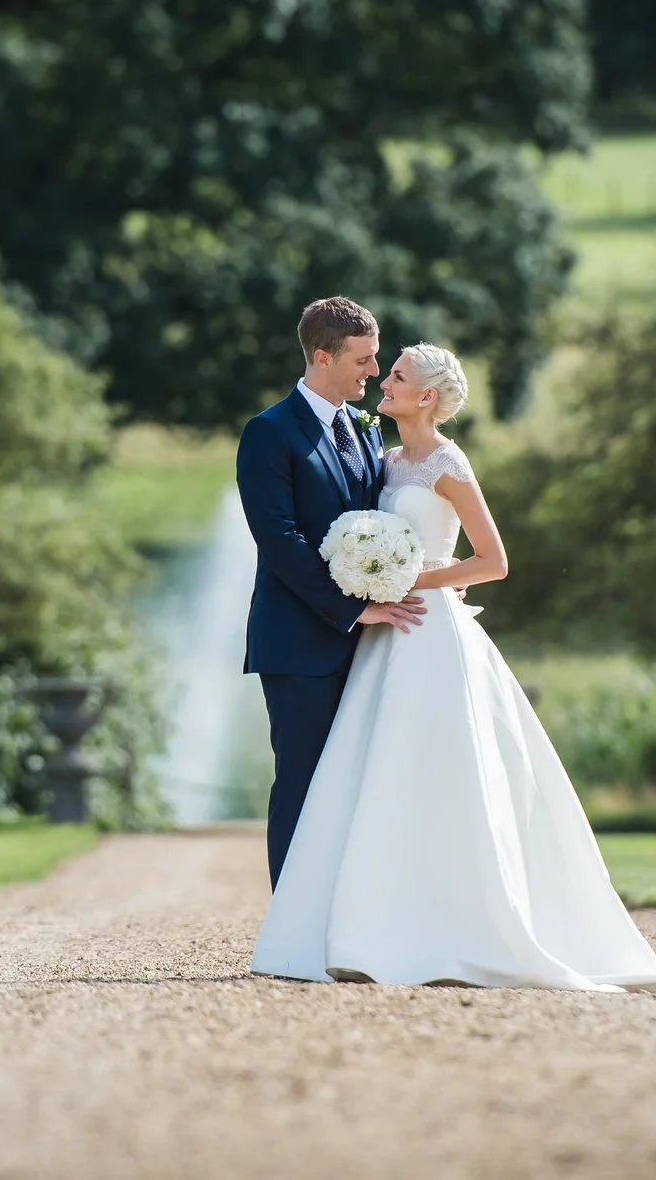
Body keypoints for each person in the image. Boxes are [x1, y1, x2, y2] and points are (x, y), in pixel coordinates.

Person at [250, 339, 656, 996]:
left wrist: (414, 577)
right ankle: (362, 929)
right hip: (381, 639)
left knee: (439, 775)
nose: (383, 380)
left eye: (395, 374)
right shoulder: (384, 457)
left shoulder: (449, 463)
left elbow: (493, 560)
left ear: (426, 396)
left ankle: (454, 925)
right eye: (383, 368)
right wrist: (371, 578)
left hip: (429, 632)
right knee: (375, 778)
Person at [235, 298, 426, 889]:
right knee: (304, 781)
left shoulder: (365, 430)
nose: (374, 371)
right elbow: (279, 538)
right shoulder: (268, 433)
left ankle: (345, 922)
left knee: (358, 784)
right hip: (298, 644)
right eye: (364, 360)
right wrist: (353, 607)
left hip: (368, 646)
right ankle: (291, 937)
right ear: (322, 357)